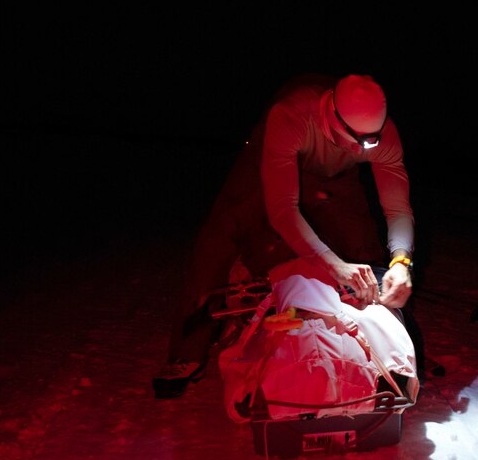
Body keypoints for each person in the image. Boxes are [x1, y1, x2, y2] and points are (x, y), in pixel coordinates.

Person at [153, 73, 415, 398]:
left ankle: (386, 347)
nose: (364, 149)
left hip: (335, 173)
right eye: (358, 141)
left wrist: (402, 261)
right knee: (221, 235)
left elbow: (398, 208)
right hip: (272, 154)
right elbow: (282, 211)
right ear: (331, 121)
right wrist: (332, 265)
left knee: (361, 248)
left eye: (370, 141)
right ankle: (187, 353)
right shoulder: (290, 116)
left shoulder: (381, 135)